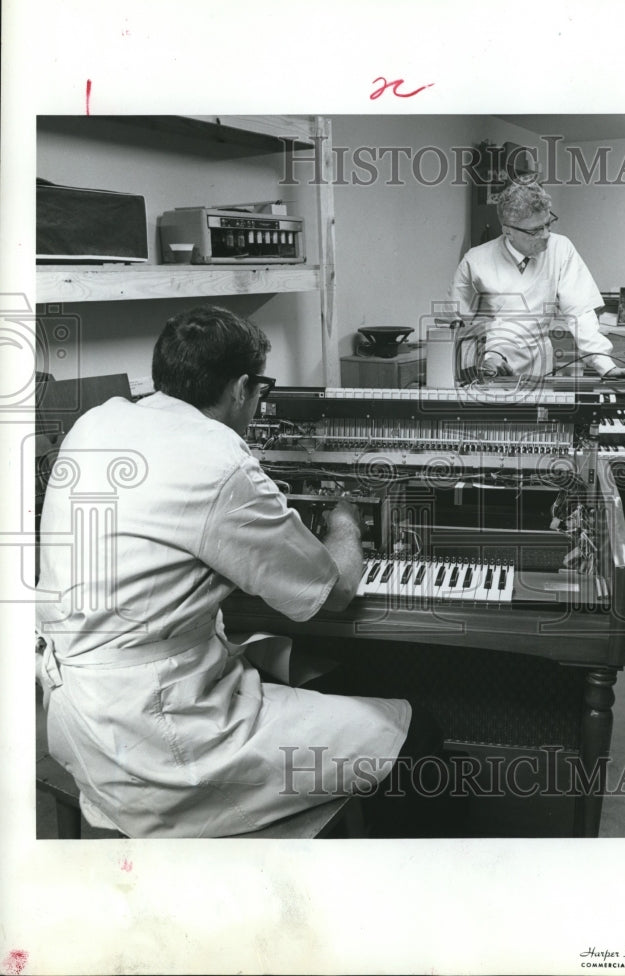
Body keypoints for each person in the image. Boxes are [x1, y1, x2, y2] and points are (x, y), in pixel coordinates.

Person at [35, 306, 445, 838]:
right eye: (260, 391)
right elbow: (336, 591)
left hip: (73, 719)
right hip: (161, 742)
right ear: (240, 388)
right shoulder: (220, 460)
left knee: (301, 668)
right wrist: (345, 520)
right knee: (418, 733)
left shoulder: (98, 421)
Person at [447, 179, 625, 380]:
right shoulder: (475, 261)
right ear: (508, 231)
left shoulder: (560, 249)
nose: (545, 235)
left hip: (540, 369)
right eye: (535, 230)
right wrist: (483, 359)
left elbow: (581, 313)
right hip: (491, 368)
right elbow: (458, 326)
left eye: (548, 224)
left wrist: (604, 365)